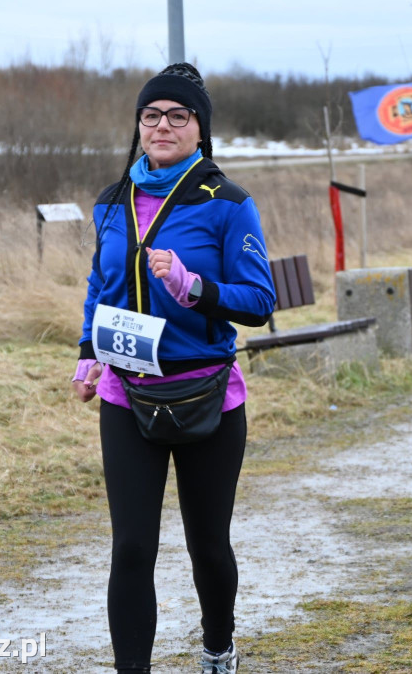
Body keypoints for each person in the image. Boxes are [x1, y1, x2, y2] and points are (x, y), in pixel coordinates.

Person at [73, 62, 276, 674]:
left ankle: (218, 647)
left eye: (178, 116)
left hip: (206, 394)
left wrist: (194, 288)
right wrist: (88, 353)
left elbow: (260, 301)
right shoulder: (112, 202)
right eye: (151, 115)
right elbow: (101, 284)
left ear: (199, 129)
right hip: (126, 392)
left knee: (207, 546)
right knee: (132, 548)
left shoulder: (228, 204)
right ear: (138, 125)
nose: (162, 126)